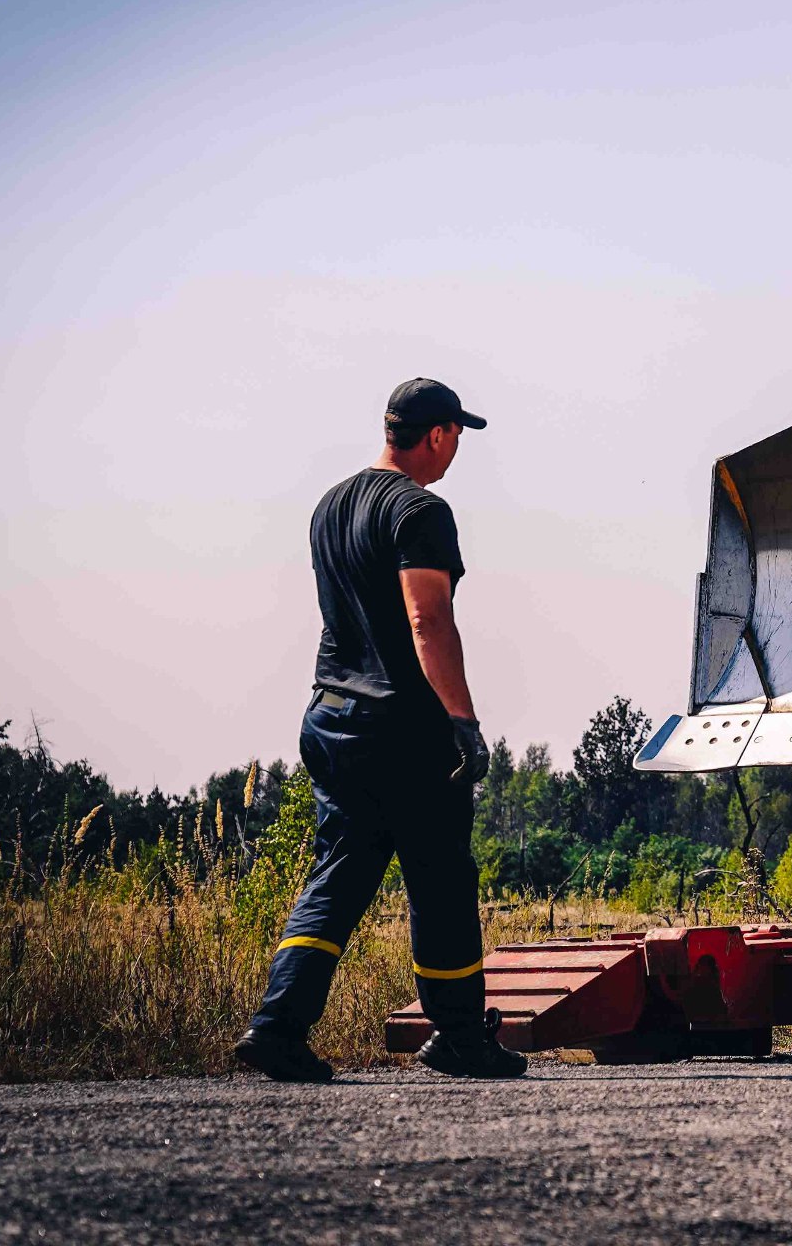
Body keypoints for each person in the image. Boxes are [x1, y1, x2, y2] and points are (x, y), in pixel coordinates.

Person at [232, 379, 527, 1083]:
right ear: (436, 435)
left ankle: (277, 1026)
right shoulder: (421, 510)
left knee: (342, 870)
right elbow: (428, 620)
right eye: (457, 436)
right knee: (441, 876)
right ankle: (458, 1036)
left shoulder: (330, 505)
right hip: (404, 724)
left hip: (333, 716)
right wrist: (463, 720)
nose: (457, 450)